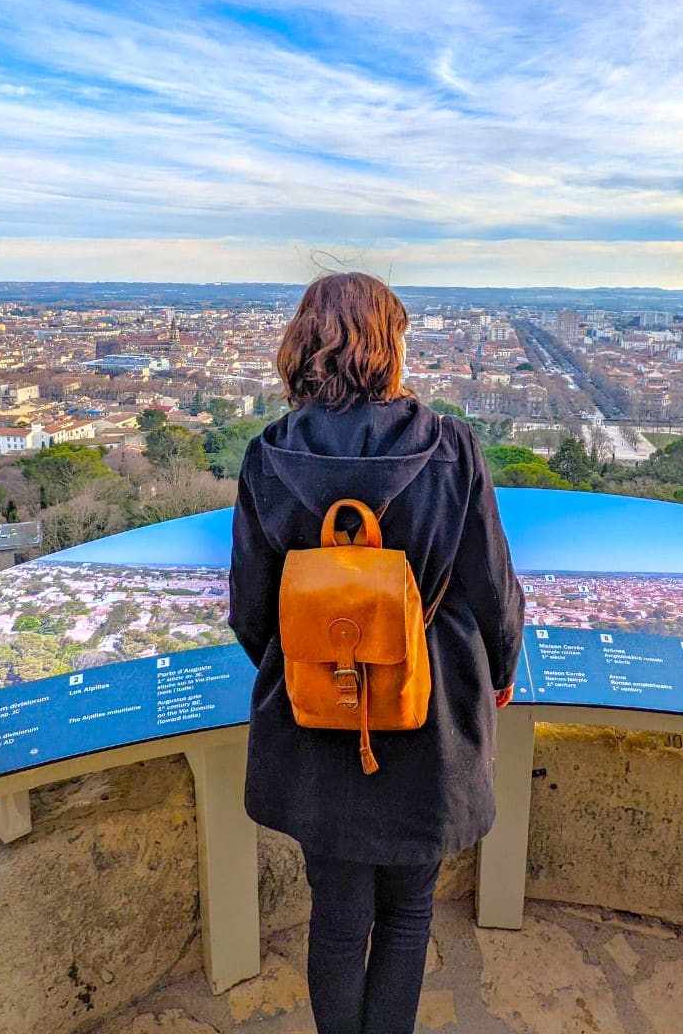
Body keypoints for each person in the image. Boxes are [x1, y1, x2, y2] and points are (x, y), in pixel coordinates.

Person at [228, 272, 525, 1034]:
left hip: (314, 719)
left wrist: (317, 668)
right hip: (425, 716)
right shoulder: (449, 446)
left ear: (306, 345)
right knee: (407, 911)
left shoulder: (268, 456)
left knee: (335, 918)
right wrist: (499, 673)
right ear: (390, 345)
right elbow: (490, 587)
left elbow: (251, 610)